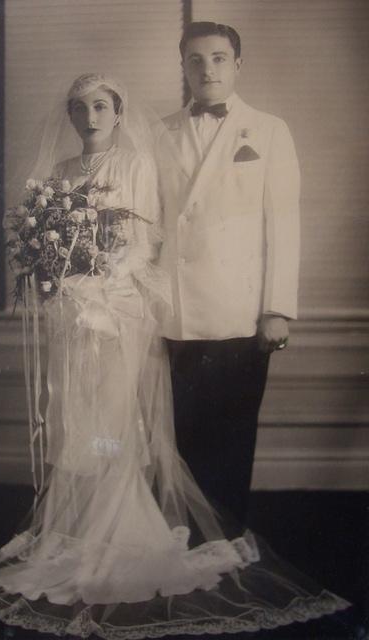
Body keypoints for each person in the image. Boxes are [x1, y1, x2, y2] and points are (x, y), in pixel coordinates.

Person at [0, 73, 348, 638]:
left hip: (118, 314)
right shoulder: (62, 173)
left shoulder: (137, 165)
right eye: (79, 109)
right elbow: (52, 246)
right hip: (73, 317)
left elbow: (145, 244)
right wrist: (60, 282)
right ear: (70, 117)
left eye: (100, 106)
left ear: (117, 113)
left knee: (116, 422)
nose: (90, 118)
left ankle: (121, 531)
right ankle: (78, 528)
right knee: (80, 419)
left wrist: (102, 288)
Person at [159, 21, 301, 531]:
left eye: (218, 58)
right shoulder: (159, 132)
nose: (207, 69)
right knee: (178, 435)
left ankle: (223, 544)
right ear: (183, 67)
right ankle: (181, 541)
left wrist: (277, 308)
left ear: (237, 64)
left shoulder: (268, 130)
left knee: (233, 434)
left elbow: (283, 225)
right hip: (174, 312)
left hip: (240, 313)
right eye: (195, 60)